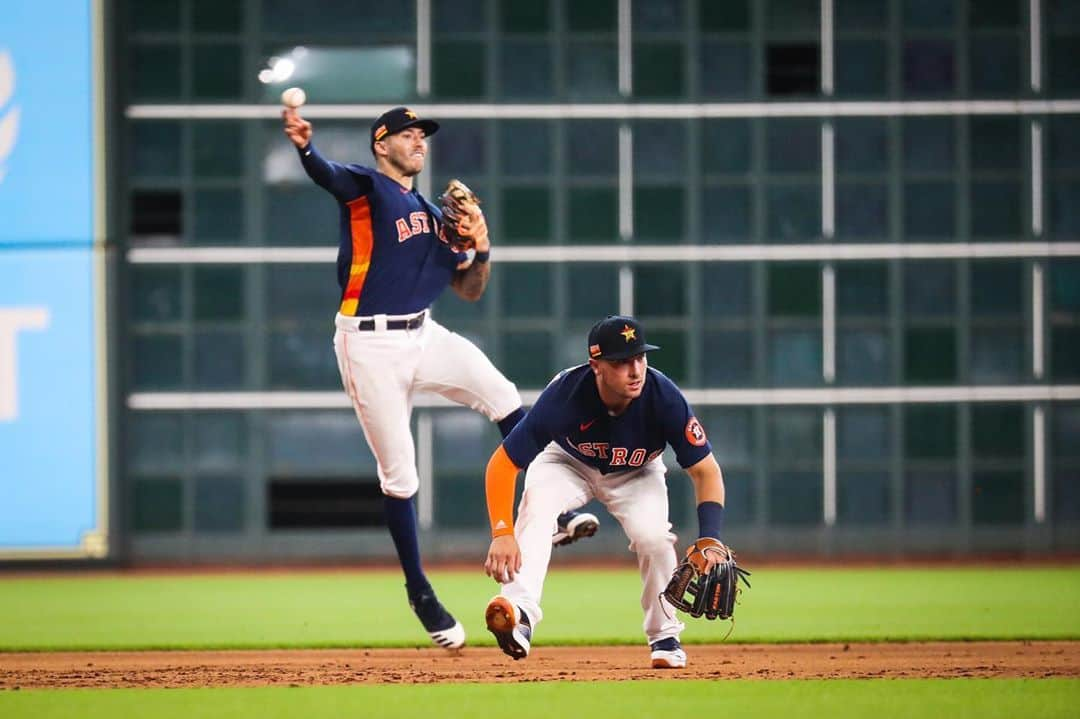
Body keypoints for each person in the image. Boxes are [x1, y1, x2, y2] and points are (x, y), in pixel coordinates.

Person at [281, 105, 596, 651]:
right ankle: (420, 592)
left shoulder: (431, 215)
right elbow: (325, 174)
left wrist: (482, 242)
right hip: (368, 343)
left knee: (505, 398)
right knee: (401, 476)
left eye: (422, 135)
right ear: (382, 145)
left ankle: (551, 516)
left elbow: (470, 289)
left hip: (424, 334)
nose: (419, 142)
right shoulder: (367, 188)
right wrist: (305, 147)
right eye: (407, 134)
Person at [480, 315, 730, 668]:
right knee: (536, 509)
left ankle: (665, 635)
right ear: (596, 366)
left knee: (655, 539)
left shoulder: (663, 397)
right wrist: (502, 532)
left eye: (640, 357)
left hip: (636, 472)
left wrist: (711, 537)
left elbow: (706, 471)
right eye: (621, 362)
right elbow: (502, 464)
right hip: (566, 461)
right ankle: (520, 615)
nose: (635, 370)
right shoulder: (565, 395)